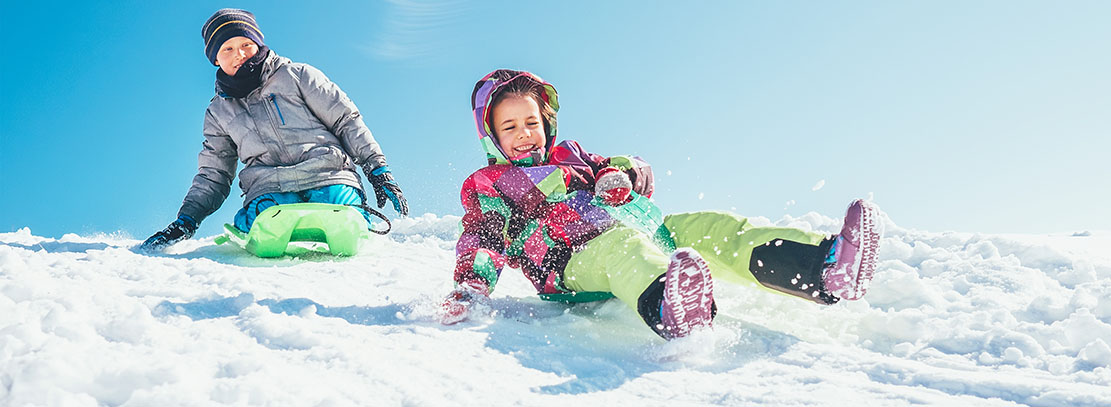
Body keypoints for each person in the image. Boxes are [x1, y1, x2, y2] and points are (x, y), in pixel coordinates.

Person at [439, 69, 884, 340]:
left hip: (642, 224)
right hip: (570, 262)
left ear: (547, 123)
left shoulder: (573, 155)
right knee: (623, 252)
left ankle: (823, 269)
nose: (524, 133)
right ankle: (672, 311)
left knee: (712, 227)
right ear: (491, 136)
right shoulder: (491, 183)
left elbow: (636, 170)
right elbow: (484, 236)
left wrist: (620, 175)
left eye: (532, 122)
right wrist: (471, 285)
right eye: (510, 126)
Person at [140, 9, 408, 251]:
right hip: (269, 187)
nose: (240, 54)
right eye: (228, 49)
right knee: (267, 212)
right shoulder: (219, 112)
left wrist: (377, 169)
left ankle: (348, 217)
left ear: (258, 44)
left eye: (246, 44)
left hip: (328, 174)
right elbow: (214, 173)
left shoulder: (298, 76)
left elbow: (346, 120)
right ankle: (260, 225)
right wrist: (187, 220)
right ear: (215, 59)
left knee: (337, 204)